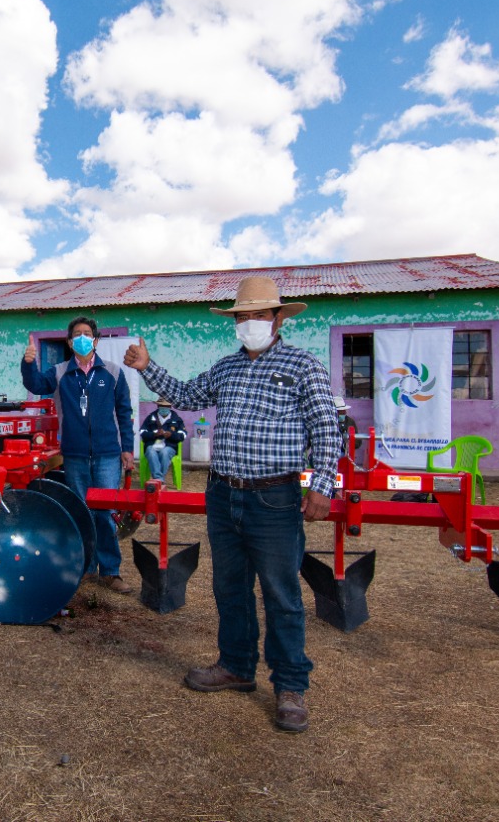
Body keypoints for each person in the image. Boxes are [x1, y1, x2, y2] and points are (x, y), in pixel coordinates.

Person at [123, 276, 341, 733]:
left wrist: (323, 485)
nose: (250, 324)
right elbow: (185, 396)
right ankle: (237, 665)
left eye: (260, 315)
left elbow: (325, 427)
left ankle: (290, 685)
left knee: (281, 594)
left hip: (274, 497)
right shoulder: (225, 368)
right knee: (230, 587)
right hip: (223, 493)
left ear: (278, 319)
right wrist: (147, 366)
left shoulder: (304, 366)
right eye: (243, 317)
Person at [22, 316, 136, 594]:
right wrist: (28, 363)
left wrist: (128, 449)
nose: (82, 338)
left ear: (95, 340)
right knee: (81, 511)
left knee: (105, 513)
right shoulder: (60, 372)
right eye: (77, 334)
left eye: (87, 334)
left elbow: (124, 413)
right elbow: (36, 385)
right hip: (74, 455)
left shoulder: (113, 372)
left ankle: (110, 571)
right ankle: (85, 567)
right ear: (70, 342)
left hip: (108, 454)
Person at [140, 397, 187, 482]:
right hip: (152, 445)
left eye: (166, 406)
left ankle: (157, 479)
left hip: (169, 446)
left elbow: (182, 435)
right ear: (158, 406)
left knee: (164, 452)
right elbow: (142, 433)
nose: (164, 408)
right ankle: (159, 479)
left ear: (170, 407)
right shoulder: (151, 417)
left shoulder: (176, 419)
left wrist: (171, 435)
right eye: (161, 406)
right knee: (150, 451)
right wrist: (154, 434)